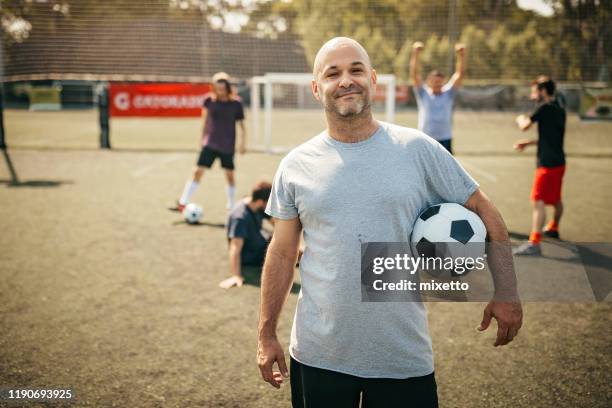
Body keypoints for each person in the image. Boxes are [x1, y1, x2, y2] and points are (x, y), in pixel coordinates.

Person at [257, 37, 522, 408]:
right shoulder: (296, 165)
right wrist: (266, 333)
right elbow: (283, 253)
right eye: (333, 73)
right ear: (317, 88)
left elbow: (485, 210)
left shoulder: (418, 149)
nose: (346, 80)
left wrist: (506, 290)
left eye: (356, 70)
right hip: (319, 354)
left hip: (401, 355)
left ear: (374, 79)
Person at [171, 72, 246, 213]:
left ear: (227, 87)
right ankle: (183, 202)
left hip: (227, 145)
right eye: (217, 88)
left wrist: (243, 143)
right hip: (210, 143)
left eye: (223, 88)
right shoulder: (208, 101)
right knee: (198, 171)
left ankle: (231, 206)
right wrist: (202, 139)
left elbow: (242, 125)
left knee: (230, 175)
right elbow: (204, 121)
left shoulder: (236, 103)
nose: (220, 91)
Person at [513, 77, 566, 255]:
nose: (533, 95)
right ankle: (554, 227)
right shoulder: (560, 109)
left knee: (538, 201)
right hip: (559, 163)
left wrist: (520, 118)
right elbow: (550, 138)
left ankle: (534, 243)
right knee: (556, 199)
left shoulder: (543, 108)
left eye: (535, 91)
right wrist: (528, 143)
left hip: (546, 165)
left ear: (543, 91)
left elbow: (524, 126)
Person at [409, 41, 466, 154]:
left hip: (445, 138)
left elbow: (460, 74)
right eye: (434, 81)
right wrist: (415, 54)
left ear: (443, 82)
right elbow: (414, 74)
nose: (437, 84)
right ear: (429, 82)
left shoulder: (448, 93)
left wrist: (462, 56)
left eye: (439, 82)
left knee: (446, 170)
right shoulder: (423, 93)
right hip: (425, 137)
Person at [219, 181, 272, 289]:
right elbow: (235, 248)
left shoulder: (256, 204)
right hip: (251, 255)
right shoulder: (240, 217)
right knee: (286, 251)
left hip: (260, 242)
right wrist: (236, 276)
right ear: (261, 202)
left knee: (286, 242)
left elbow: (276, 223)